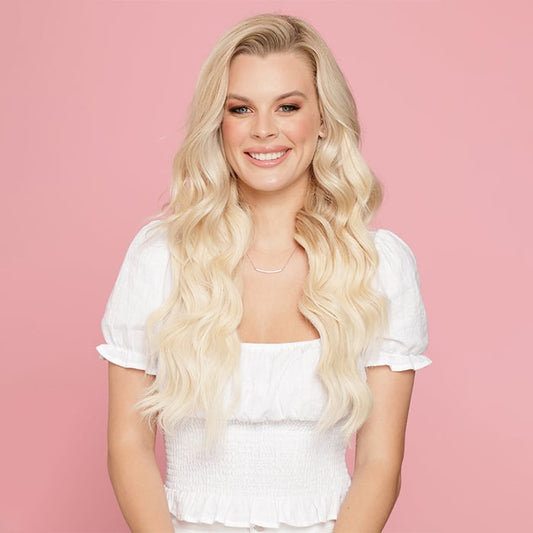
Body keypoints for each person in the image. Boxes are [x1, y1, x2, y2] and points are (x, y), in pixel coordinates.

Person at [96, 13, 431, 533]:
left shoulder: (379, 265)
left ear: (324, 119)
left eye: (288, 107)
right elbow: (128, 445)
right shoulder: (160, 257)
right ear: (219, 123)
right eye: (241, 108)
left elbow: (380, 463)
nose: (264, 129)